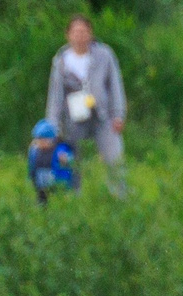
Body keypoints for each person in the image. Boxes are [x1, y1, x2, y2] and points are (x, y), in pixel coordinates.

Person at [46, 15, 127, 199]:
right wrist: (53, 126)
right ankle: (74, 200)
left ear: (90, 33)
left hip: (103, 115)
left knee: (115, 159)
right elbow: (55, 96)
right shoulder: (61, 61)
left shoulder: (104, 55)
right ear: (68, 35)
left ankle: (120, 199)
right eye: (76, 32)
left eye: (84, 31)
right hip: (74, 118)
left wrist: (119, 114)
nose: (80, 36)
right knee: (72, 161)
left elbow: (115, 85)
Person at [27, 119, 78, 205]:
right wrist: (31, 180)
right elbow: (32, 168)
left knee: (59, 204)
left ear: (50, 139)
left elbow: (70, 161)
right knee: (42, 204)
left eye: (41, 140)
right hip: (41, 186)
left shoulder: (60, 149)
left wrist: (66, 159)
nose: (39, 143)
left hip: (58, 186)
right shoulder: (34, 151)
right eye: (37, 139)